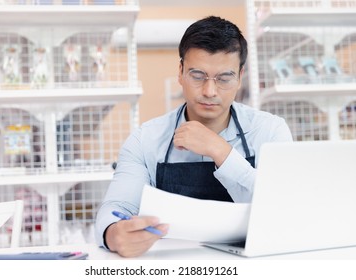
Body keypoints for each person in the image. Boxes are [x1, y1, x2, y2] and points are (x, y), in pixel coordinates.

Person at [95, 15, 293, 257]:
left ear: (240, 77)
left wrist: (220, 151)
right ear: (180, 72)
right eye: (198, 76)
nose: (209, 91)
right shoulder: (144, 140)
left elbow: (285, 208)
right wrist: (113, 234)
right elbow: (116, 206)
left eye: (224, 78)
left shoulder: (270, 131)